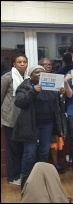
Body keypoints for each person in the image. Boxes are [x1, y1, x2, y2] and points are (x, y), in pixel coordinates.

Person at [13, 65, 62, 184]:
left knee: (44, 152)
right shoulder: (25, 85)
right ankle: (25, 179)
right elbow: (19, 102)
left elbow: (56, 105)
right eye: (37, 72)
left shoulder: (51, 86)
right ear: (31, 75)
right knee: (30, 153)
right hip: (31, 125)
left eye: (42, 72)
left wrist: (59, 93)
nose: (40, 74)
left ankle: (41, 177)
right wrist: (33, 91)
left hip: (48, 124)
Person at [1, 53, 28, 185]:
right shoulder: (7, 77)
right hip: (10, 119)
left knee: (21, 148)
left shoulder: (28, 78)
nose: (22, 64)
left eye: (24, 62)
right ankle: (13, 176)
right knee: (12, 149)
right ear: (14, 64)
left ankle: (21, 174)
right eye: (19, 62)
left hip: (24, 120)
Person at [39, 58, 67, 174]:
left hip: (54, 117)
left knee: (53, 143)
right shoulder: (36, 79)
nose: (47, 66)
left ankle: (55, 164)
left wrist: (61, 94)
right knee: (40, 145)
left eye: (49, 64)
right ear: (39, 66)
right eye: (44, 64)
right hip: (39, 118)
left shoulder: (56, 79)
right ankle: (41, 168)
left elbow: (61, 99)